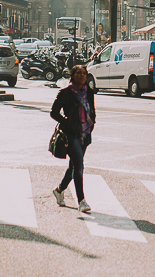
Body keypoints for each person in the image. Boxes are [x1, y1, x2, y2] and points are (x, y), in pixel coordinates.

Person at [51, 65, 95, 213]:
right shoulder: (66, 93)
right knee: (79, 165)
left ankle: (59, 189)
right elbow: (54, 112)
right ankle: (81, 200)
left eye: (84, 73)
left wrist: (92, 123)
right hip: (70, 133)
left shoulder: (89, 92)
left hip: (85, 132)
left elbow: (92, 110)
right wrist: (66, 122)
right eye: (78, 73)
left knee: (74, 166)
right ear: (72, 75)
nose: (82, 76)